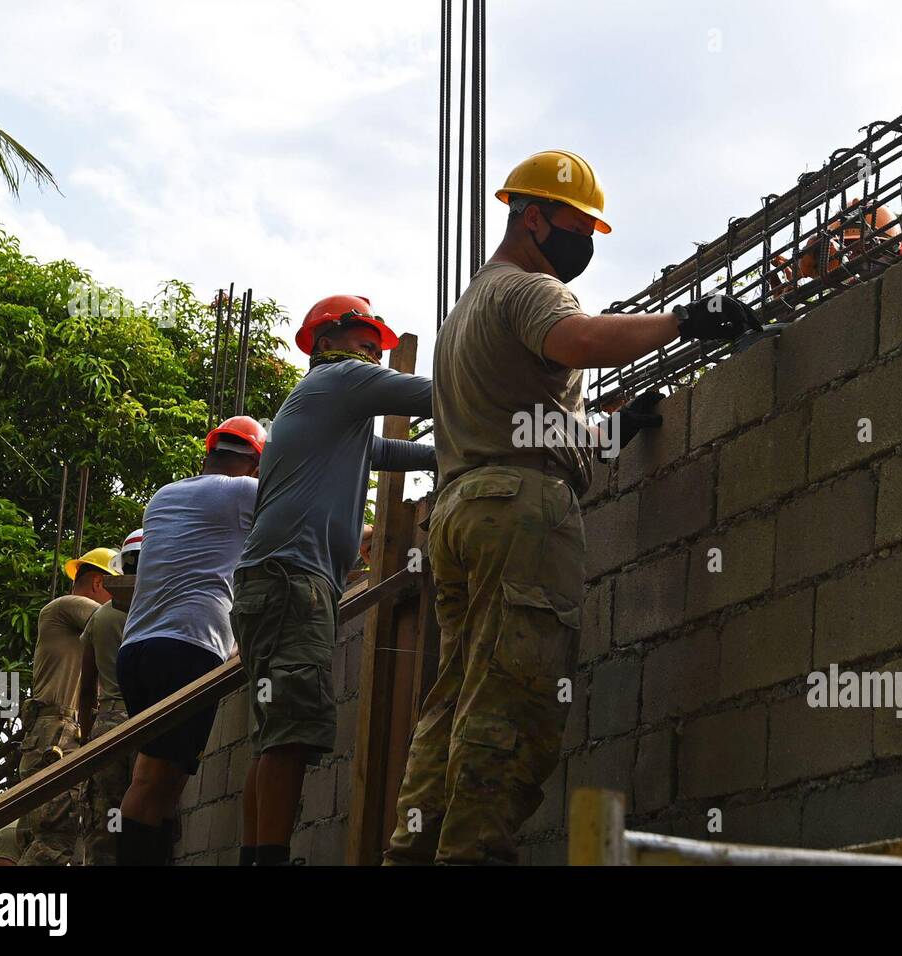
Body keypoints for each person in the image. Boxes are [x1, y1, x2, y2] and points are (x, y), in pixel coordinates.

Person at [384, 149, 758, 865]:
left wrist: (607, 434)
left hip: (461, 510)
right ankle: (472, 855)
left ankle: (414, 851)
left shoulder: (466, 309)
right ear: (532, 218)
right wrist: (686, 319)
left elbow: (520, 417)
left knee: (457, 693)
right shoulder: (530, 290)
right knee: (513, 700)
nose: (583, 239)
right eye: (576, 224)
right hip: (518, 515)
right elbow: (581, 340)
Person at [232, 296, 434, 866]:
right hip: (292, 581)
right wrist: (504, 394)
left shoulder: (333, 419)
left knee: (274, 737)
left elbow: (390, 451)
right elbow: (441, 394)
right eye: (362, 336)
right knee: (291, 734)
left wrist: (448, 457)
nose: (373, 348)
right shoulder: (340, 382)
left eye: (379, 341)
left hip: (273, 581)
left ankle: (257, 859)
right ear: (324, 344)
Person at [115, 417, 266, 866]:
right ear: (255, 464)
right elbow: (300, 516)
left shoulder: (164, 495)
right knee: (151, 784)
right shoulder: (242, 493)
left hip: (138, 649)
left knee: (163, 782)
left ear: (210, 452)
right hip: (186, 648)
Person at [17, 546, 117, 866]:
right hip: (58, 731)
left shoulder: (91, 638)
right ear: (99, 583)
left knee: (71, 835)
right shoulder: (65, 606)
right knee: (55, 839)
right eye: (119, 590)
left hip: (68, 729)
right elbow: (116, 622)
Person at [74, 528, 142, 865]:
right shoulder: (158, 610)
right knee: (148, 816)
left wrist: (87, 739)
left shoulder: (100, 617)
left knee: (106, 825)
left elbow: (86, 689)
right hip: (152, 720)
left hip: (108, 726)